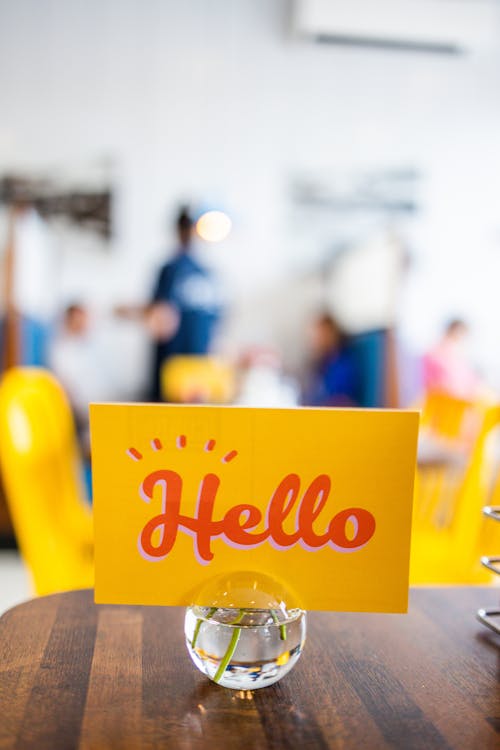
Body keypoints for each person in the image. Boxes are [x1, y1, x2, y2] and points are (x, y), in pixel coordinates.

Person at [303, 313, 359, 406]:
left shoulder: (342, 365)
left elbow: (341, 401)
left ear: (331, 334)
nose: (316, 340)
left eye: (320, 335)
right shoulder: (323, 362)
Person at [422, 319, 482, 400]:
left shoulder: (458, 356)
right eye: (461, 335)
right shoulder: (436, 354)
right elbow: (438, 385)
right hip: (445, 402)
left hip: (457, 400)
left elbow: (470, 381)